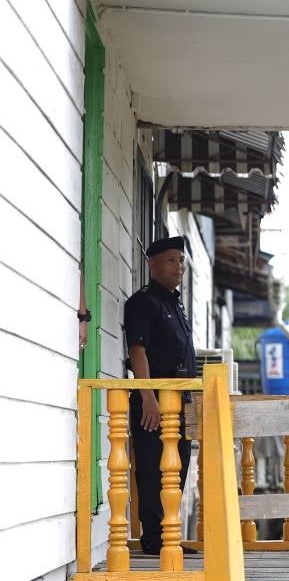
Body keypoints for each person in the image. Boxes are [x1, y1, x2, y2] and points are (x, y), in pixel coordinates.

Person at [123, 235, 195, 556]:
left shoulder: (174, 302)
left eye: (181, 261)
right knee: (154, 467)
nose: (179, 266)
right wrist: (148, 397)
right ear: (153, 264)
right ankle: (154, 538)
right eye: (171, 260)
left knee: (178, 466)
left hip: (180, 399)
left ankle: (170, 535)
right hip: (154, 400)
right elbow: (137, 350)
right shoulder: (144, 301)